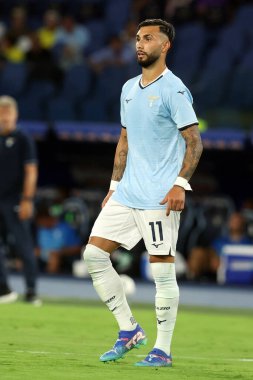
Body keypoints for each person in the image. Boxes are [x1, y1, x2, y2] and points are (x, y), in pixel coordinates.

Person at [83, 19, 203, 367]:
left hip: (158, 197)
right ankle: (129, 330)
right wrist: (113, 186)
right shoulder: (128, 88)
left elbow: (194, 140)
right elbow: (124, 139)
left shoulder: (174, 89)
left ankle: (162, 350)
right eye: (138, 38)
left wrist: (180, 183)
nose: (140, 44)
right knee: (93, 255)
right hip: (127, 192)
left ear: (165, 46)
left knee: (161, 271)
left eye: (148, 38)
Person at [0, 96, 40, 305]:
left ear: (15, 115)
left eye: (8, 114)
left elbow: (31, 171)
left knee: (23, 245)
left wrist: (27, 199)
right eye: (2, 114)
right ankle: (3, 289)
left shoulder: (23, 138)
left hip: (16, 199)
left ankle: (31, 291)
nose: (5, 119)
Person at [187, 212, 252, 280]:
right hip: (218, 268)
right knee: (198, 252)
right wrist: (215, 259)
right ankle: (191, 279)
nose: (235, 223)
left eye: (237, 221)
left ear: (243, 223)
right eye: (232, 220)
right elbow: (212, 253)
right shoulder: (220, 241)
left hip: (240, 268)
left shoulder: (248, 243)